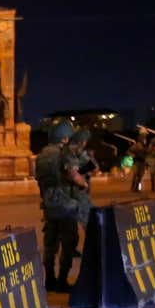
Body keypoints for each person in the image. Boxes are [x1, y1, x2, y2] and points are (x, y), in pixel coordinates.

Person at [35, 122, 93, 293]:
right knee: (68, 243)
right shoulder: (63, 154)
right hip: (66, 204)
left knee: (50, 244)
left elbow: (40, 180)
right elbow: (72, 173)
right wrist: (83, 184)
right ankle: (62, 281)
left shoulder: (42, 155)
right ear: (65, 137)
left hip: (49, 205)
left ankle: (50, 280)